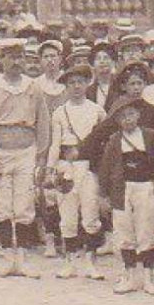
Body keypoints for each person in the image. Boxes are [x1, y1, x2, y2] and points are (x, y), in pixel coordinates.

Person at [0, 38, 52, 279]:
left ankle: (24, 259)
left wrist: (41, 157)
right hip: (0, 151)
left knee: (25, 206)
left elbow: (43, 122)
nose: (16, 62)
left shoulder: (33, 87)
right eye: (11, 57)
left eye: (20, 57)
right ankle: (8, 258)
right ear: (1, 59)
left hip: (26, 151)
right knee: (4, 206)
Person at [95, 93, 154, 296]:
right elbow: (105, 169)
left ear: (138, 114)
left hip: (145, 187)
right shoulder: (114, 141)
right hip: (122, 190)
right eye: (122, 117)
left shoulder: (150, 136)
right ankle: (129, 276)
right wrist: (103, 194)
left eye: (131, 114)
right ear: (117, 121)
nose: (127, 119)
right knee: (124, 233)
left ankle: (149, 278)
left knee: (146, 232)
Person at [49, 61, 105, 280]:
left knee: (90, 214)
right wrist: (50, 168)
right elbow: (55, 144)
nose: (76, 86)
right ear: (66, 86)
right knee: (68, 215)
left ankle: (90, 262)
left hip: (88, 166)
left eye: (80, 82)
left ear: (87, 83)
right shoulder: (60, 112)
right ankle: (70, 261)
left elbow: (103, 141)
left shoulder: (96, 110)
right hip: (66, 166)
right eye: (71, 83)